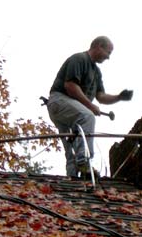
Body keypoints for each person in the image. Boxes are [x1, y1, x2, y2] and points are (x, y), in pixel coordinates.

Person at [47, 36, 133, 179]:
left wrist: (119, 97)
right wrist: (90, 106)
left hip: (70, 109)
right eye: (108, 52)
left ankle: (73, 181)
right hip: (59, 101)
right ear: (99, 46)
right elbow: (70, 86)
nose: (108, 57)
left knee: (72, 148)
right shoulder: (79, 59)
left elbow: (101, 97)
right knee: (87, 116)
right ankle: (85, 162)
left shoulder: (96, 72)